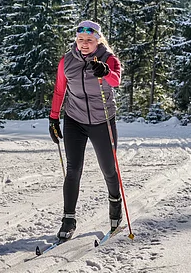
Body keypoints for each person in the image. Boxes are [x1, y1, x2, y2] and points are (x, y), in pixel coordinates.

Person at [49, 20, 122, 240]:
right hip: (75, 120)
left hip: (102, 121)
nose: (84, 44)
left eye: (89, 40)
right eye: (80, 39)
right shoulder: (67, 61)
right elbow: (60, 90)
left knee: (109, 169)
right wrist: (53, 119)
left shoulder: (109, 59)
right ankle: (68, 219)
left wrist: (106, 71)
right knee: (73, 170)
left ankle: (115, 205)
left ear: (98, 40)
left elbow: (116, 81)